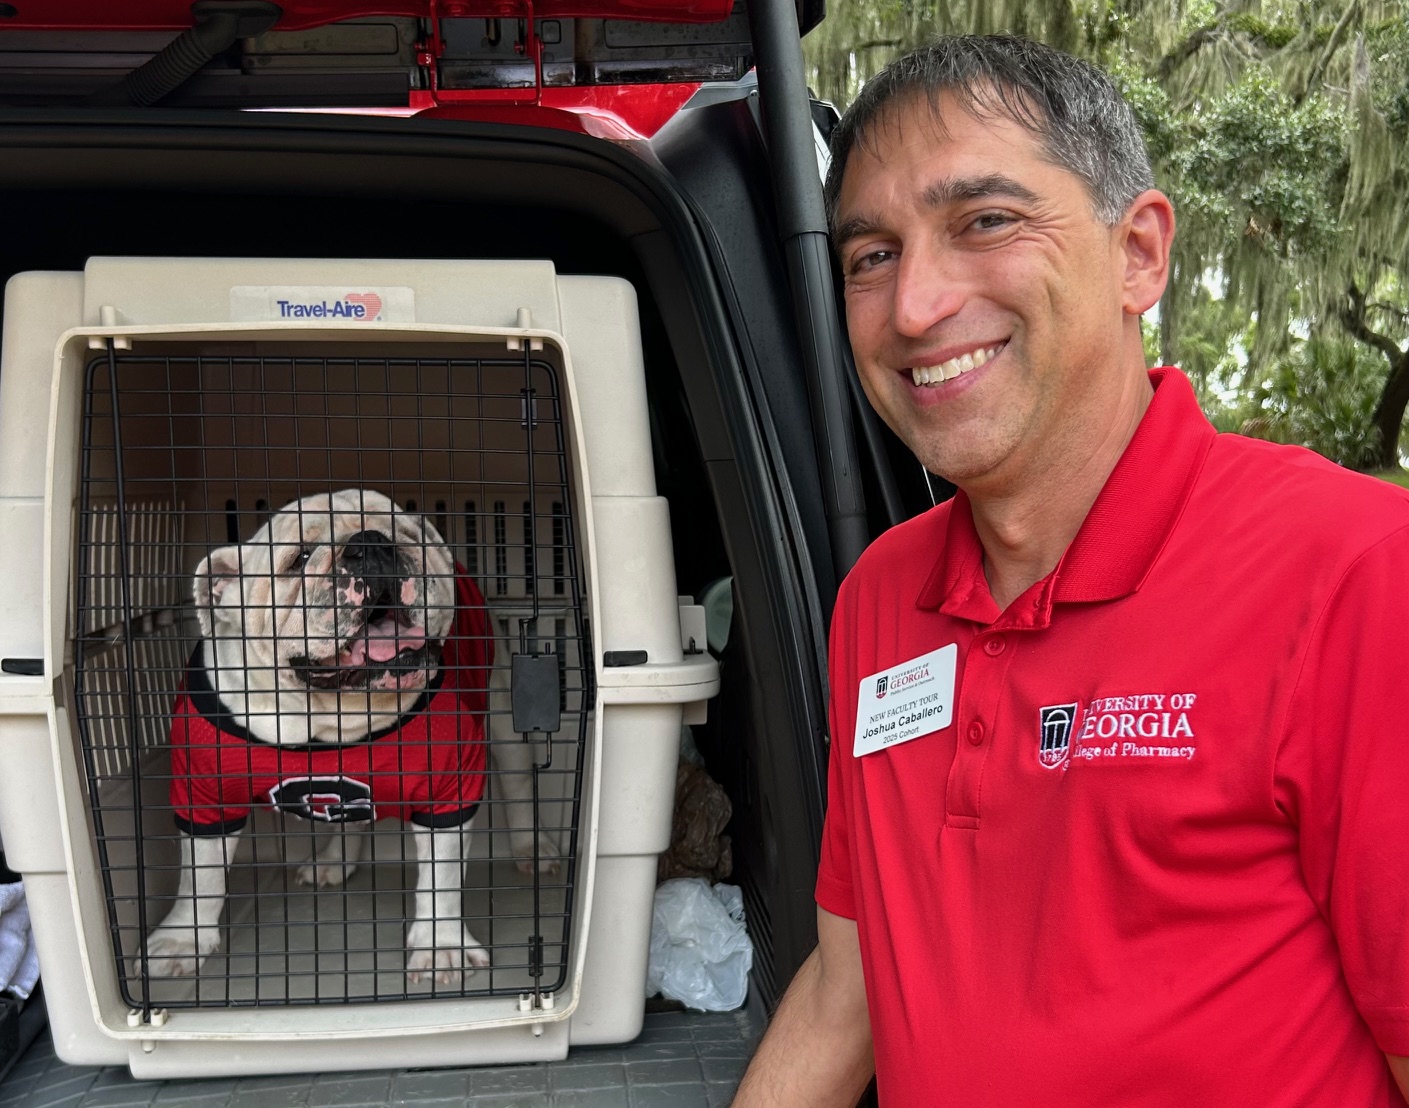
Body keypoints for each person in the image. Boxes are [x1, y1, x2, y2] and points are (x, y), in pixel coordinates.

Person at [733, 34, 1409, 1108]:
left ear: (1137, 253)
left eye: (984, 222)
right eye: (871, 257)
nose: (912, 307)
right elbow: (850, 981)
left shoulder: (1354, 572)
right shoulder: (879, 598)